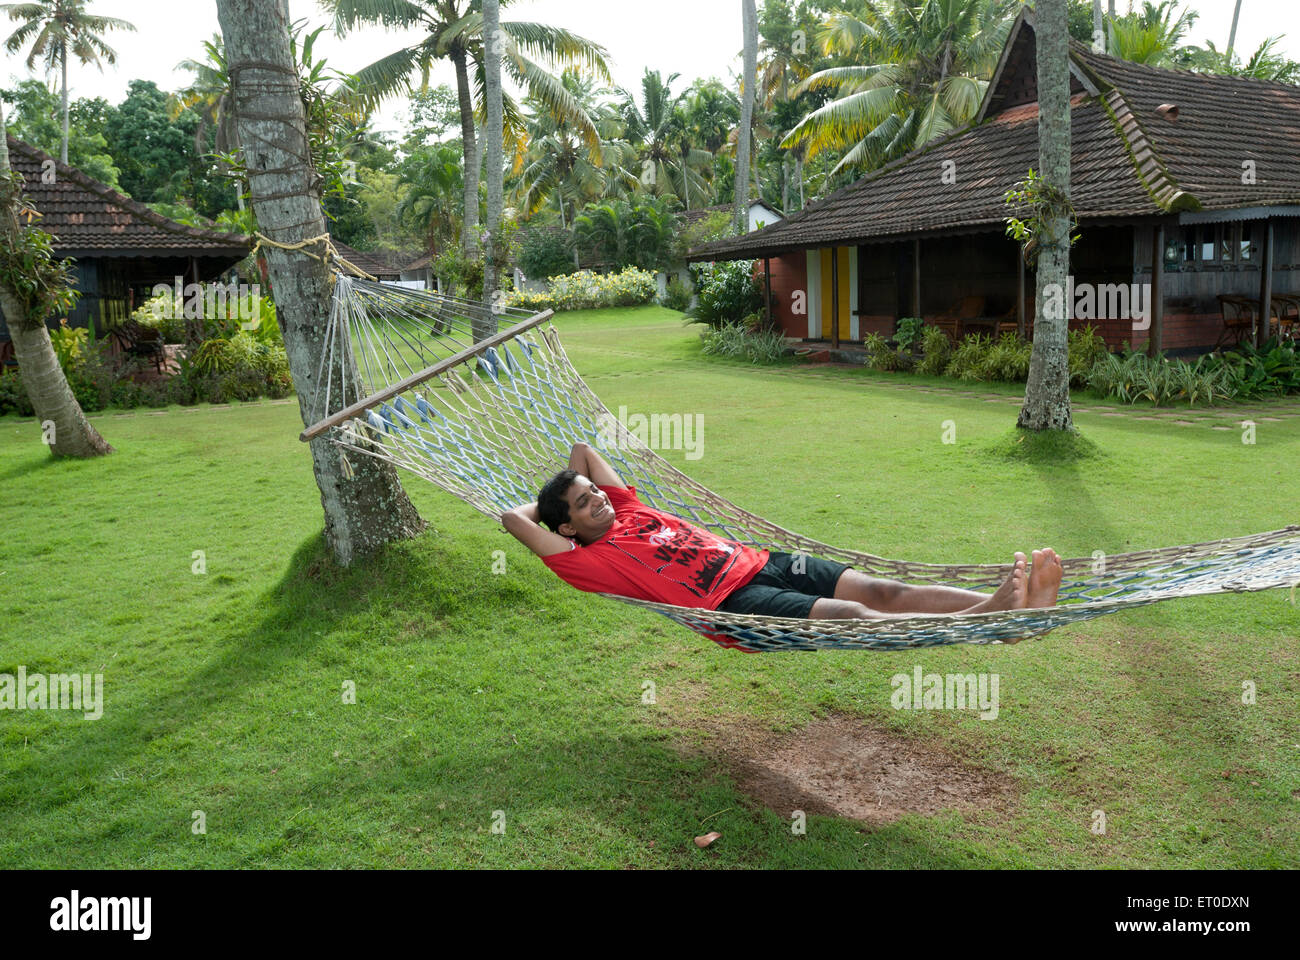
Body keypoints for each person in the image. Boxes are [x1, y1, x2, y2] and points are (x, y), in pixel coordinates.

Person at [501, 442, 1063, 622]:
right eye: (583, 502)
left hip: (762, 560)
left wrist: (572, 487)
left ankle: (1008, 613)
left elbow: (582, 452)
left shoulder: (624, 507)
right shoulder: (584, 562)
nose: (598, 496)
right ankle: (988, 617)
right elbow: (513, 520)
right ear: (566, 527)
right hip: (732, 601)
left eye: (593, 491)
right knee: (850, 618)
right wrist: (554, 510)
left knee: (883, 590)